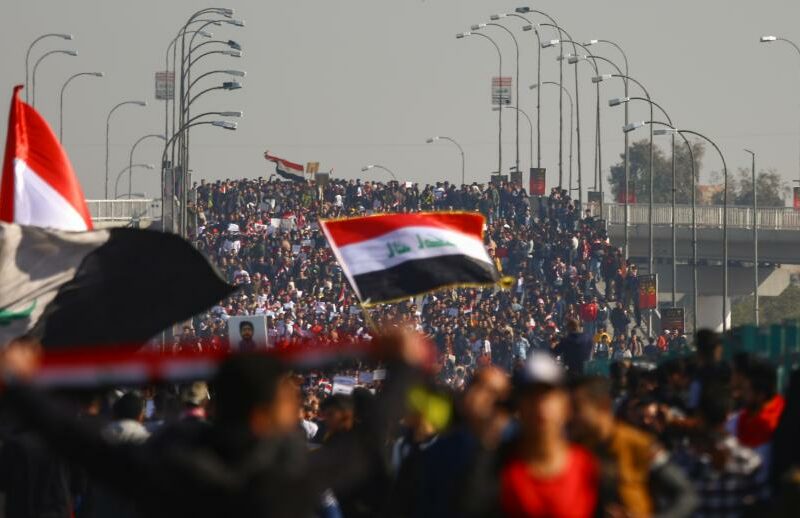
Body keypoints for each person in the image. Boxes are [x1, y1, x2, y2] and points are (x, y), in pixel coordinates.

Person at [0, 331, 428, 518]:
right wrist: (403, 367)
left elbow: (84, 445)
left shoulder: (168, 468)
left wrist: (21, 386)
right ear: (264, 416)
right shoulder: (284, 484)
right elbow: (366, 441)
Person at [569, 376, 698, 518]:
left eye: (577, 408)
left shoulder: (639, 445)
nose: (571, 416)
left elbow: (686, 496)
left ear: (603, 406)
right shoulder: (572, 450)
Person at [499, 353, 600, 518]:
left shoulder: (590, 470)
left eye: (547, 396)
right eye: (531, 397)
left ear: (565, 405)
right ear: (519, 406)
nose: (540, 406)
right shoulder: (497, 470)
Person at [674, 384, 764, 518]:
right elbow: (759, 504)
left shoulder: (683, 459)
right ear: (729, 415)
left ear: (699, 415)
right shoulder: (748, 460)